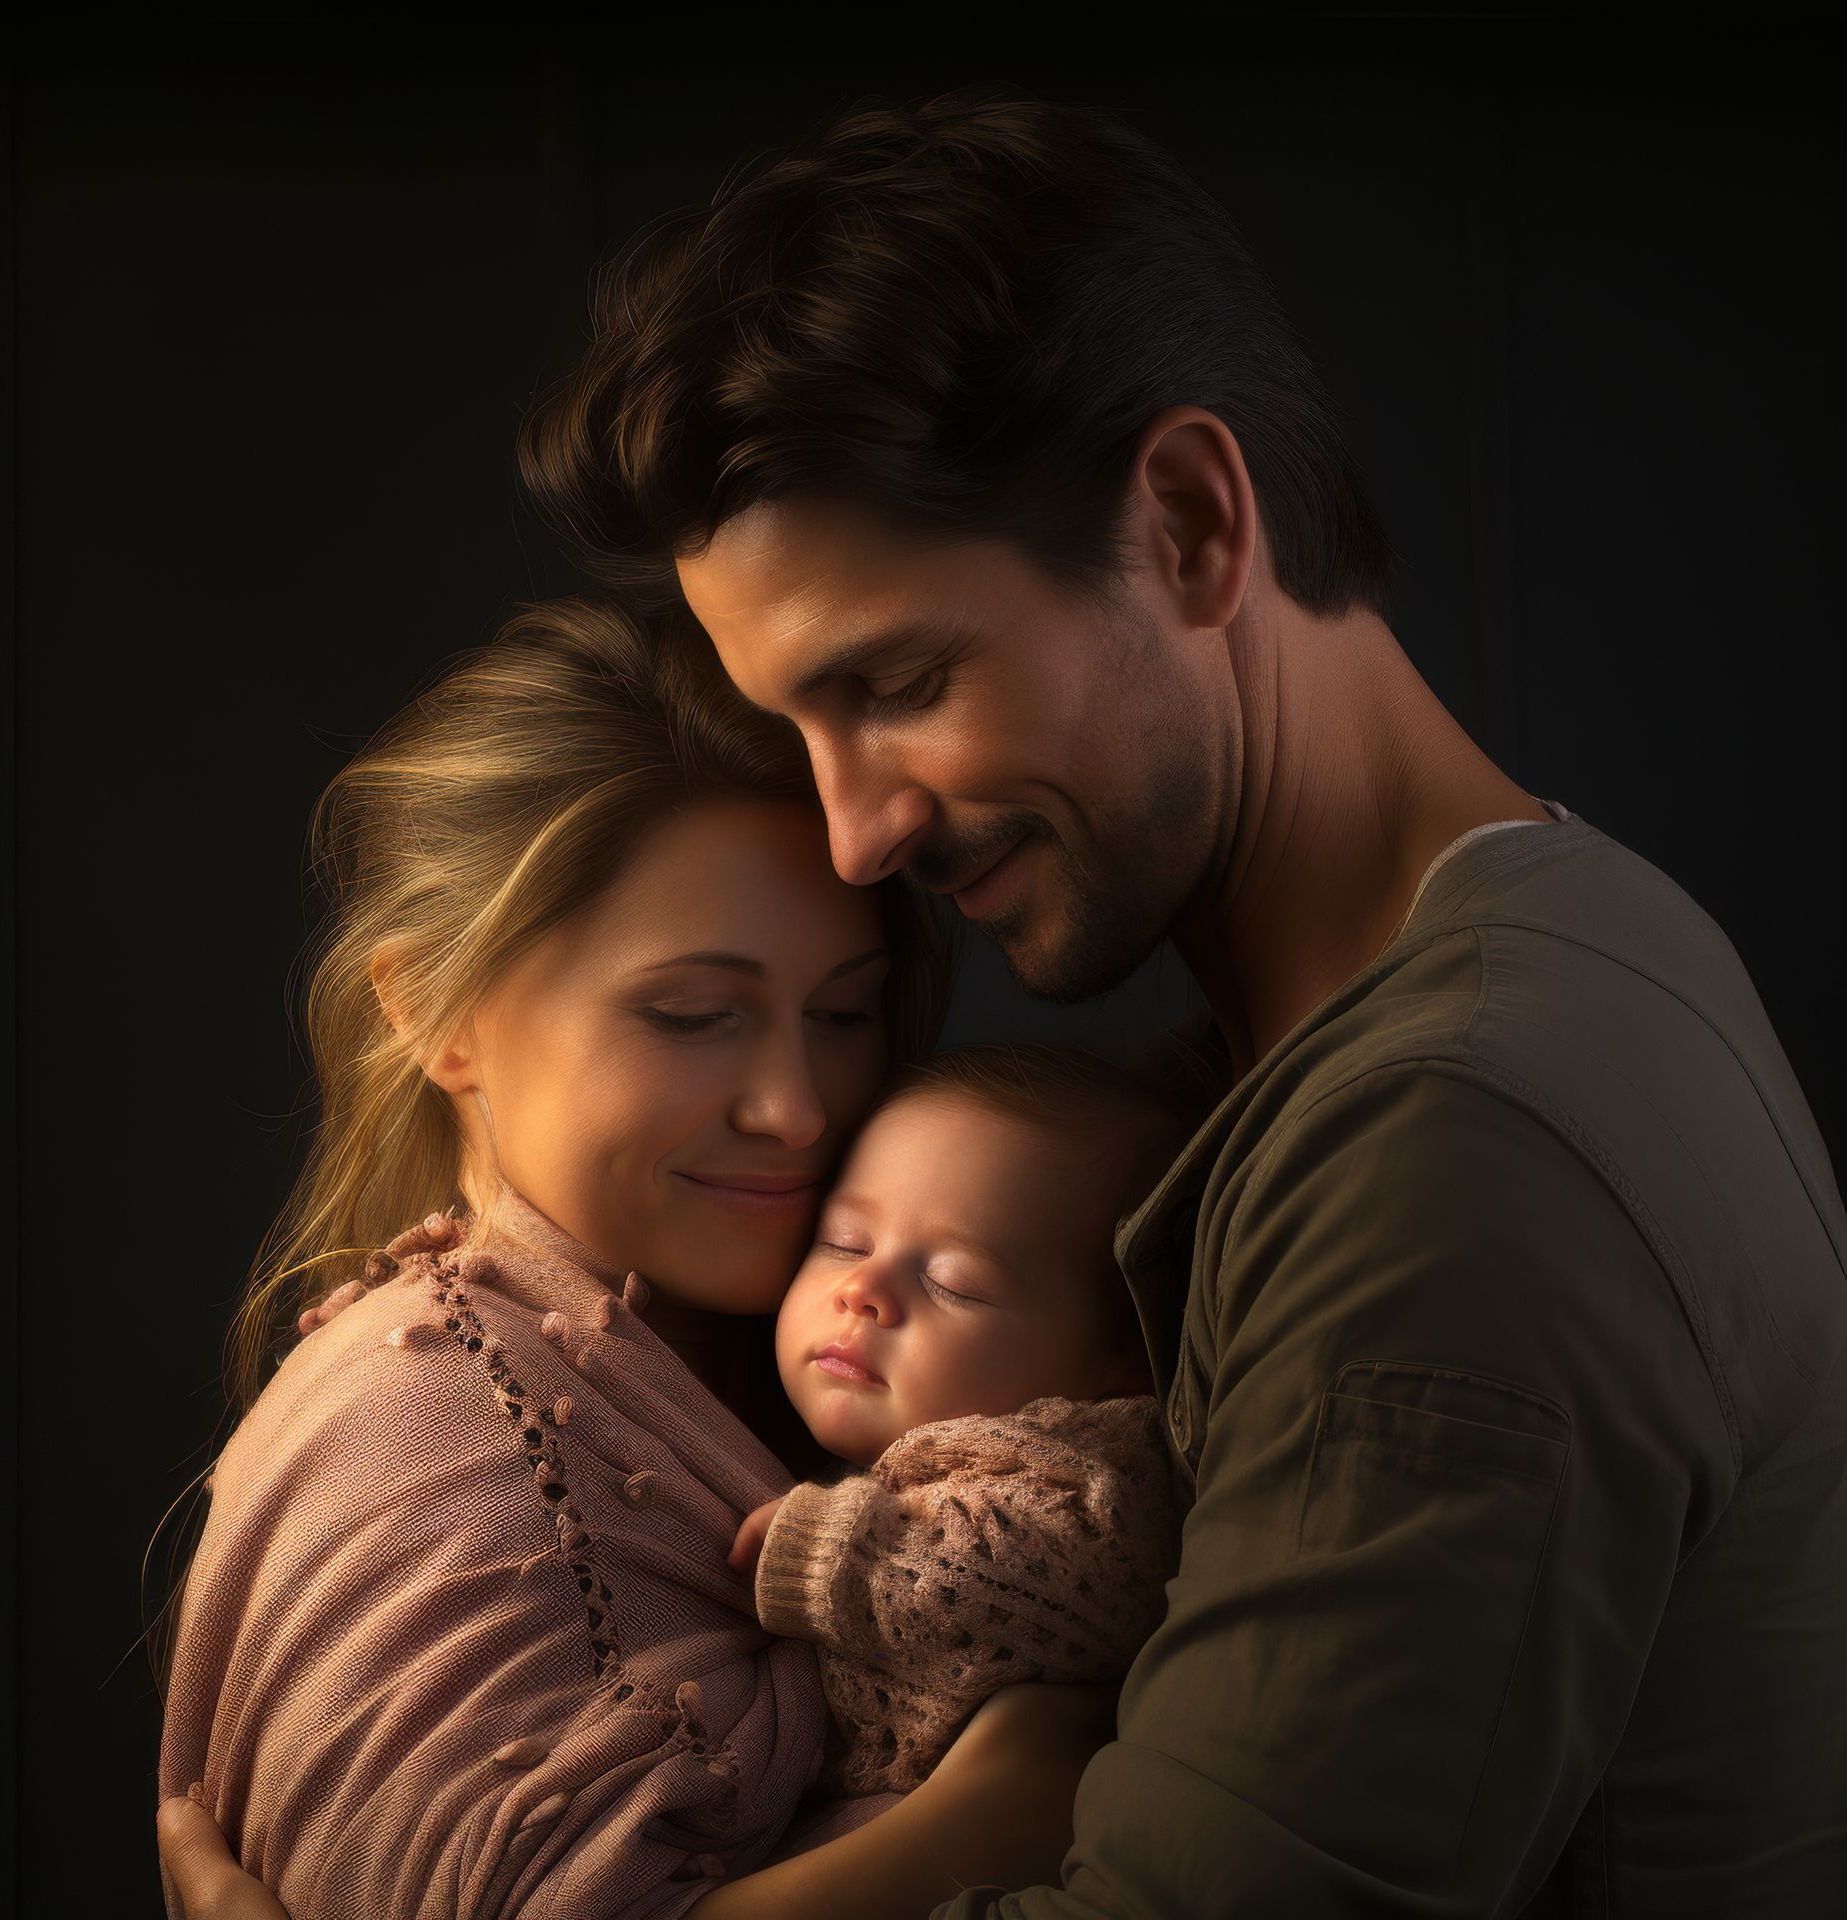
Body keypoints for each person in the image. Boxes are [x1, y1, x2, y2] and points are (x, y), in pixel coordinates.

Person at [165, 84, 1847, 1920]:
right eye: (800, 725)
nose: (859, 833)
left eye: (897, 679)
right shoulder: (1536, 958)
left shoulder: (1456, 1142)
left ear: (1197, 525)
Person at [153, 594, 1133, 1920]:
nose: (797, 1105)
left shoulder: (873, 1385)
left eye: (843, 1013)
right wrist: (996, 1804)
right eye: (693, 1016)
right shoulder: (433, 1449)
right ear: (436, 1016)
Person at [727, 1041, 1193, 1795]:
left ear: (1124, 1363)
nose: (862, 1288)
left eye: (955, 1283)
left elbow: (1053, 1573)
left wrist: (841, 1548)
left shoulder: (1096, 1472)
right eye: (844, 1241)